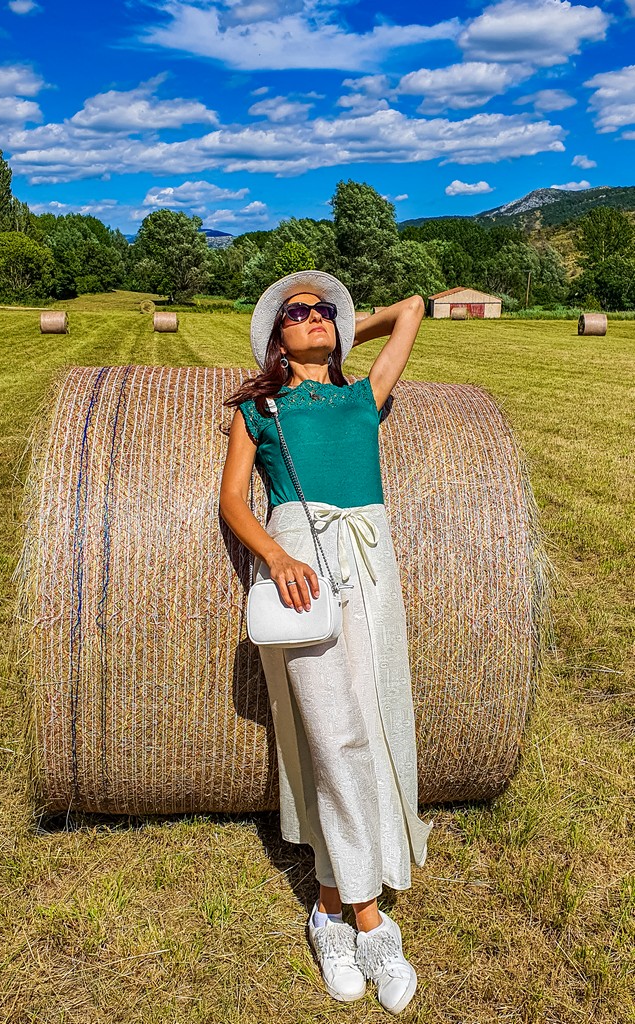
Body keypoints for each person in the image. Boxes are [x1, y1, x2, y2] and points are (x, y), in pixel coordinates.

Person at [219, 271, 433, 1015]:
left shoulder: (361, 396)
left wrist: (343, 324)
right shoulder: (260, 408)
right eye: (294, 314)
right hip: (302, 563)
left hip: (373, 560)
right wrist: (275, 558)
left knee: (370, 728)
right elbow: (230, 501)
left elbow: (410, 309)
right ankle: (369, 924)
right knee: (331, 735)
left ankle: (328, 907)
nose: (310, 319)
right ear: (274, 337)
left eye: (321, 312)